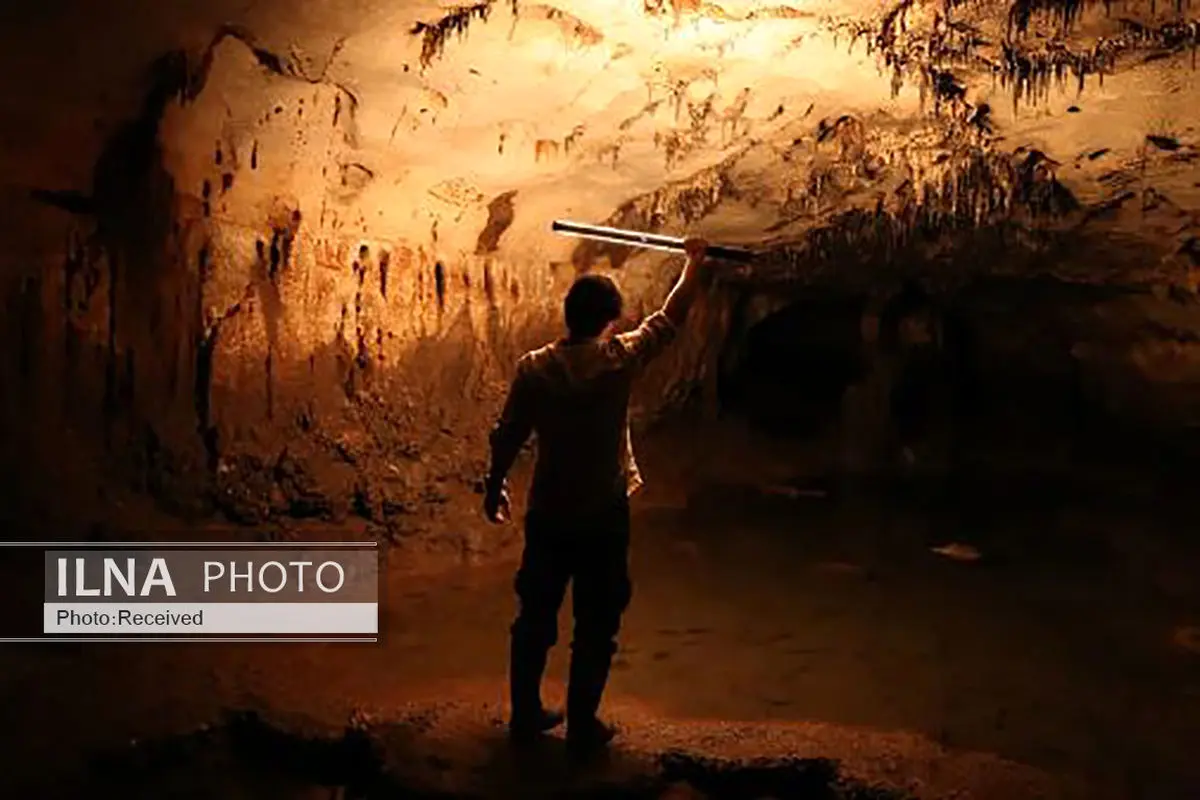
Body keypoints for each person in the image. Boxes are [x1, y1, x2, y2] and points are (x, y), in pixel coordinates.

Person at [483, 237, 711, 752]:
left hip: (549, 510)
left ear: (567, 315)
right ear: (612, 318)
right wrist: (694, 263)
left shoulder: (534, 368)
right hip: (602, 513)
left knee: (535, 614)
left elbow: (509, 432)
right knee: (598, 618)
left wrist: (494, 484)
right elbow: (670, 318)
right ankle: (582, 724)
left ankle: (525, 714)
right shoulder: (619, 359)